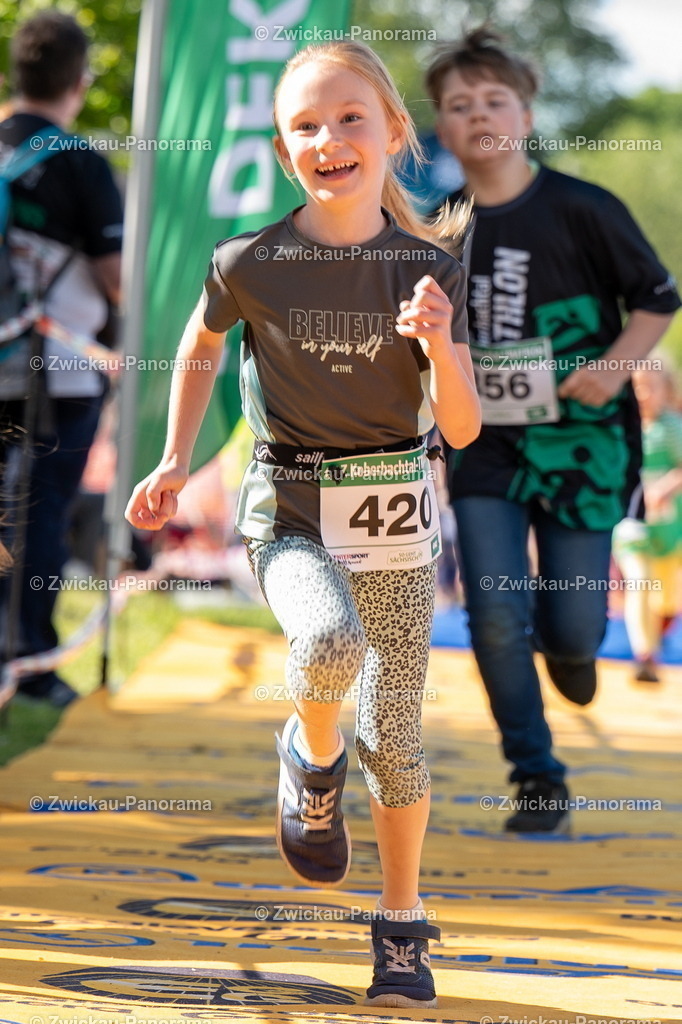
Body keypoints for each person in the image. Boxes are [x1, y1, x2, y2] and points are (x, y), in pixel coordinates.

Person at [125, 40, 480, 1008]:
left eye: (349, 118)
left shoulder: (425, 265)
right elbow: (201, 341)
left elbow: (460, 424)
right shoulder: (251, 261)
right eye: (305, 127)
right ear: (286, 153)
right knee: (326, 639)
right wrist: (173, 456)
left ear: (392, 132)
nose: (328, 139)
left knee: (396, 738)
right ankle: (309, 755)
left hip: (398, 513)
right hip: (288, 507)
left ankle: (400, 924)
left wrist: (441, 347)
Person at [425, 29, 680, 833]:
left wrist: (614, 366)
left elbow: (658, 299)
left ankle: (574, 651)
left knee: (571, 621)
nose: (478, 115)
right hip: (484, 445)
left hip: (584, 442)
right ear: (442, 127)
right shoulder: (434, 228)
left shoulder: (584, 207)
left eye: (494, 99)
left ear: (526, 114)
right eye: (459, 106)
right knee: (493, 609)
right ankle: (537, 777)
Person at [0, 12, 123, 707]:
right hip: (60, 372)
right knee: (39, 515)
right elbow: (115, 278)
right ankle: (33, 664)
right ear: (80, 81)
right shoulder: (79, 161)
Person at [613, 365, 682, 683]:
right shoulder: (621, 427)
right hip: (632, 529)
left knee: (667, 596)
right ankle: (645, 655)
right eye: (637, 387)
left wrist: (667, 486)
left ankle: (661, 631)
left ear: (666, 391)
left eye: (651, 387)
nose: (643, 395)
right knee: (639, 583)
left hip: (671, 530)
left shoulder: (671, 428)